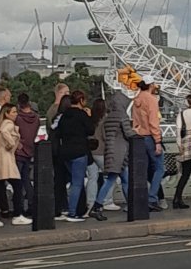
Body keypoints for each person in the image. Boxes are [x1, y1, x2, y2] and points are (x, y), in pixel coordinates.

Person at [91, 88, 133, 218]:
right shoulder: (123, 116)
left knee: (124, 179)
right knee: (111, 180)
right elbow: (128, 133)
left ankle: (131, 204)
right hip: (120, 152)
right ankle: (97, 205)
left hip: (109, 151)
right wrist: (137, 132)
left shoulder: (108, 117)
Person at [54, 91, 94, 221]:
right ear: (81, 100)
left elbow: (58, 132)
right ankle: (73, 212)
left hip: (65, 151)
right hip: (79, 151)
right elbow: (90, 130)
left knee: (72, 181)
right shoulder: (82, 115)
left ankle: (67, 208)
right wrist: (89, 116)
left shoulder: (64, 115)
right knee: (77, 183)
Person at [0, 103, 26, 225]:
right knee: (18, 186)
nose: (16, 114)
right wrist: (11, 143)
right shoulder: (8, 124)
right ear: (7, 114)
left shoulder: (0, 123)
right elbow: (5, 132)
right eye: (13, 112)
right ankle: (17, 214)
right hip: (6, 160)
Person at [132, 80, 164, 212]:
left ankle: (139, 198)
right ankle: (152, 198)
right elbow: (153, 122)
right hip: (150, 137)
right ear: (151, 85)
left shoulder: (136, 99)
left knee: (143, 170)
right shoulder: (151, 100)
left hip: (139, 138)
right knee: (159, 168)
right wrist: (157, 141)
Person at [14, 93, 39, 220]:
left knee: (17, 182)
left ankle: (18, 208)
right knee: (27, 180)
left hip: (19, 151)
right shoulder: (36, 118)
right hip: (30, 150)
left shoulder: (17, 118)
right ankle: (32, 204)